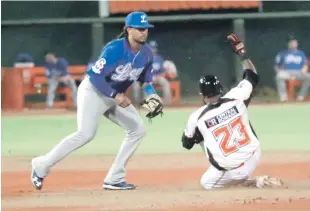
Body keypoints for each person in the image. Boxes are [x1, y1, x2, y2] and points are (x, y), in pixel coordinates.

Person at [31, 11, 164, 191]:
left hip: (114, 97)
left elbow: (146, 80)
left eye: (146, 28)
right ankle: (41, 165)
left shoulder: (146, 54)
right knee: (85, 133)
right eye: (140, 29)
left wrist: (152, 95)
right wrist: (115, 96)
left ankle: (114, 178)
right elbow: (95, 77)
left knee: (137, 129)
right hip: (93, 91)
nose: (144, 32)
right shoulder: (114, 49)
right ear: (128, 29)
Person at [182, 34, 282, 190]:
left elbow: (186, 143)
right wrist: (242, 53)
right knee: (240, 117)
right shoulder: (236, 96)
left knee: (206, 183)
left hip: (233, 171)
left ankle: (254, 182)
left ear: (202, 95)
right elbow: (252, 75)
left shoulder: (196, 117)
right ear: (220, 89)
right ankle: (250, 179)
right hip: (254, 155)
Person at [132, 40, 173, 105]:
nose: (153, 49)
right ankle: (141, 104)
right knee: (142, 84)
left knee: (166, 83)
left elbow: (163, 72)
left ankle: (168, 103)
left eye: (154, 48)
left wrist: (159, 77)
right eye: (152, 48)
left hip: (157, 77)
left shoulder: (159, 59)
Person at [274, 36, 310, 101]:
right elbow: (276, 66)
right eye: (291, 42)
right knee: (279, 76)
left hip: (298, 72)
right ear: (288, 44)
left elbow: (305, 65)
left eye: (294, 42)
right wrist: (279, 71)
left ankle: (300, 97)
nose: (293, 44)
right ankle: (283, 97)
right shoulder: (283, 53)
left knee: (309, 77)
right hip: (286, 72)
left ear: (297, 43)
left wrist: (303, 70)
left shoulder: (301, 53)